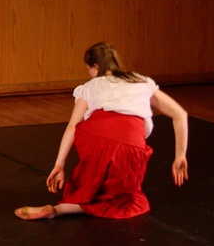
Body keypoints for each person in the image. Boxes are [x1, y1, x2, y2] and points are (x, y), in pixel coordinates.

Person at [15, 41, 189, 220]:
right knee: (125, 201)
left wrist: (59, 165)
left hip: (96, 142)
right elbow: (180, 115)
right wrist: (180, 155)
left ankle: (58, 209)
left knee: (89, 188)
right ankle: (58, 211)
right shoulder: (142, 82)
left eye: (88, 69)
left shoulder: (91, 86)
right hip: (131, 147)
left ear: (95, 67)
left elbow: (73, 126)